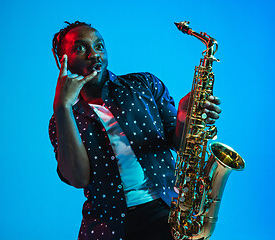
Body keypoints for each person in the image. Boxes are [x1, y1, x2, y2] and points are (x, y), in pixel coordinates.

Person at [48, 21, 221, 240]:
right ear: (62, 62)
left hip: (167, 213)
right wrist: (63, 107)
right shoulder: (60, 121)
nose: (94, 54)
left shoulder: (145, 84)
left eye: (99, 46)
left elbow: (178, 144)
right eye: (80, 48)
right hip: (107, 225)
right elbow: (78, 178)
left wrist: (184, 118)